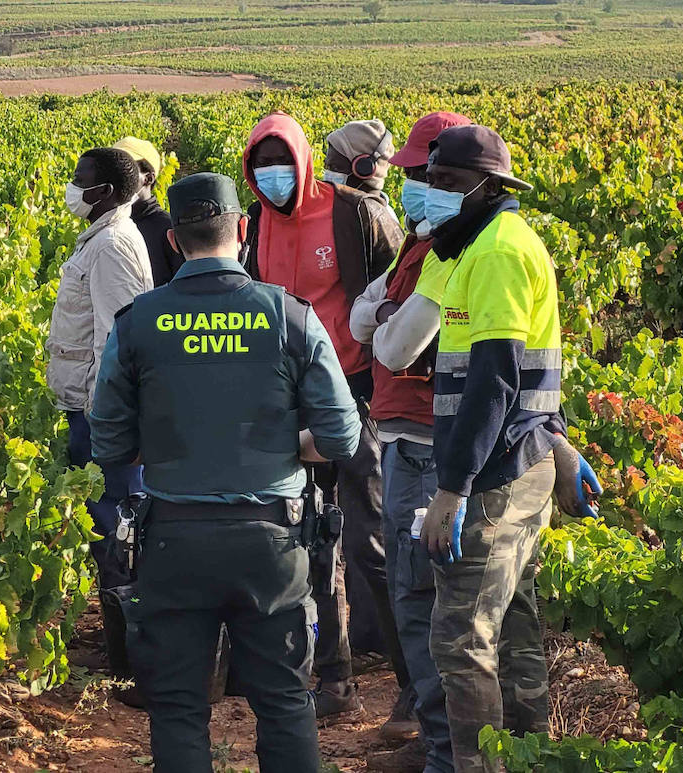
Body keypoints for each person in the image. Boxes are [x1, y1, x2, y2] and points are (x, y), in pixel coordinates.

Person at [90, 171, 360, 771]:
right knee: (286, 700)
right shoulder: (290, 315)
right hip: (273, 540)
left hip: (173, 539)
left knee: (179, 705)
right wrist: (285, 445)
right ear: (243, 230)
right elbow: (342, 436)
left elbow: (109, 441)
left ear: (172, 242)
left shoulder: (138, 322)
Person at [240, 111, 409, 726]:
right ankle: (334, 678)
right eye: (260, 165)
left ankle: (414, 685)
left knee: (371, 542)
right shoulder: (256, 220)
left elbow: (399, 292)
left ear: (305, 159)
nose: (272, 175)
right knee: (310, 541)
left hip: (357, 395)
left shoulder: (351, 212)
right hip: (291, 403)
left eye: (280, 161)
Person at [414, 125, 561, 773]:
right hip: (521, 461)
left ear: (488, 187)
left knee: (461, 637)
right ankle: (531, 757)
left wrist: (453, 487)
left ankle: (481, 766)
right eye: (431, 180)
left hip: (494, 476)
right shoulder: (481, 243)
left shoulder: (498, 251)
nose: (434, 194)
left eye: (448, 184)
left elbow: (496, 376)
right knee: (515, 626)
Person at [349, 110, 472, 773]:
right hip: (407, 437)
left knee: (425, 601)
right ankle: (436, 743)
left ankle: (442, 753)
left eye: (421, 177)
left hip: (426, 444)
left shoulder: (447, 252)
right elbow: (362, 312)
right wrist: (381, 318)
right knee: (416, 594)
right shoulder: (422, 242)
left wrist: (382, 320)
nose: (410, 188)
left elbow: (391, 340)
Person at [48, 146, 153, 587]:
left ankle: (134, 638)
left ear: (105, 191)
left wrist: (105, 416)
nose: (72, 187)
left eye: (80, 178)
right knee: (106, 526)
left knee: (118, 529)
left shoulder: (112, 246)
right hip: (87, 410)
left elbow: (117, 340)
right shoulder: (101, 238)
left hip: (100, 417)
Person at [113, 136, 181, 287]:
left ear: (148, 178)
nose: (115, 176)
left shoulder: (167, 229)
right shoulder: (108, 224)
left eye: (126, 169)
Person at [322, 119, 400, 205]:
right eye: (326, 167)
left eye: (334, 168)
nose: (327, 174)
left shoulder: (377, 218)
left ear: (365, 169)